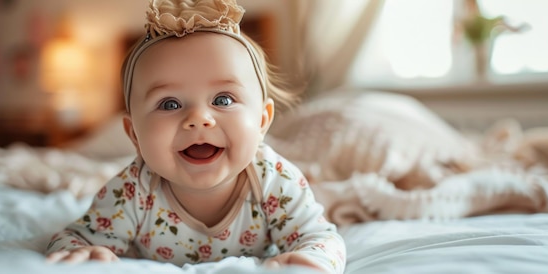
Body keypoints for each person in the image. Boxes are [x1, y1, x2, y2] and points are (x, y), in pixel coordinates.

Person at [44, 0, 346, 273]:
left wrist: (313, 259)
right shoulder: (133, 190)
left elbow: (320, 237)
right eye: (170, 104)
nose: (198, 118)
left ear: (262, 121)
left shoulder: (273, 179)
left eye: (223, 100)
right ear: (134, 134)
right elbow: (73, 238)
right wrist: (81, 252)